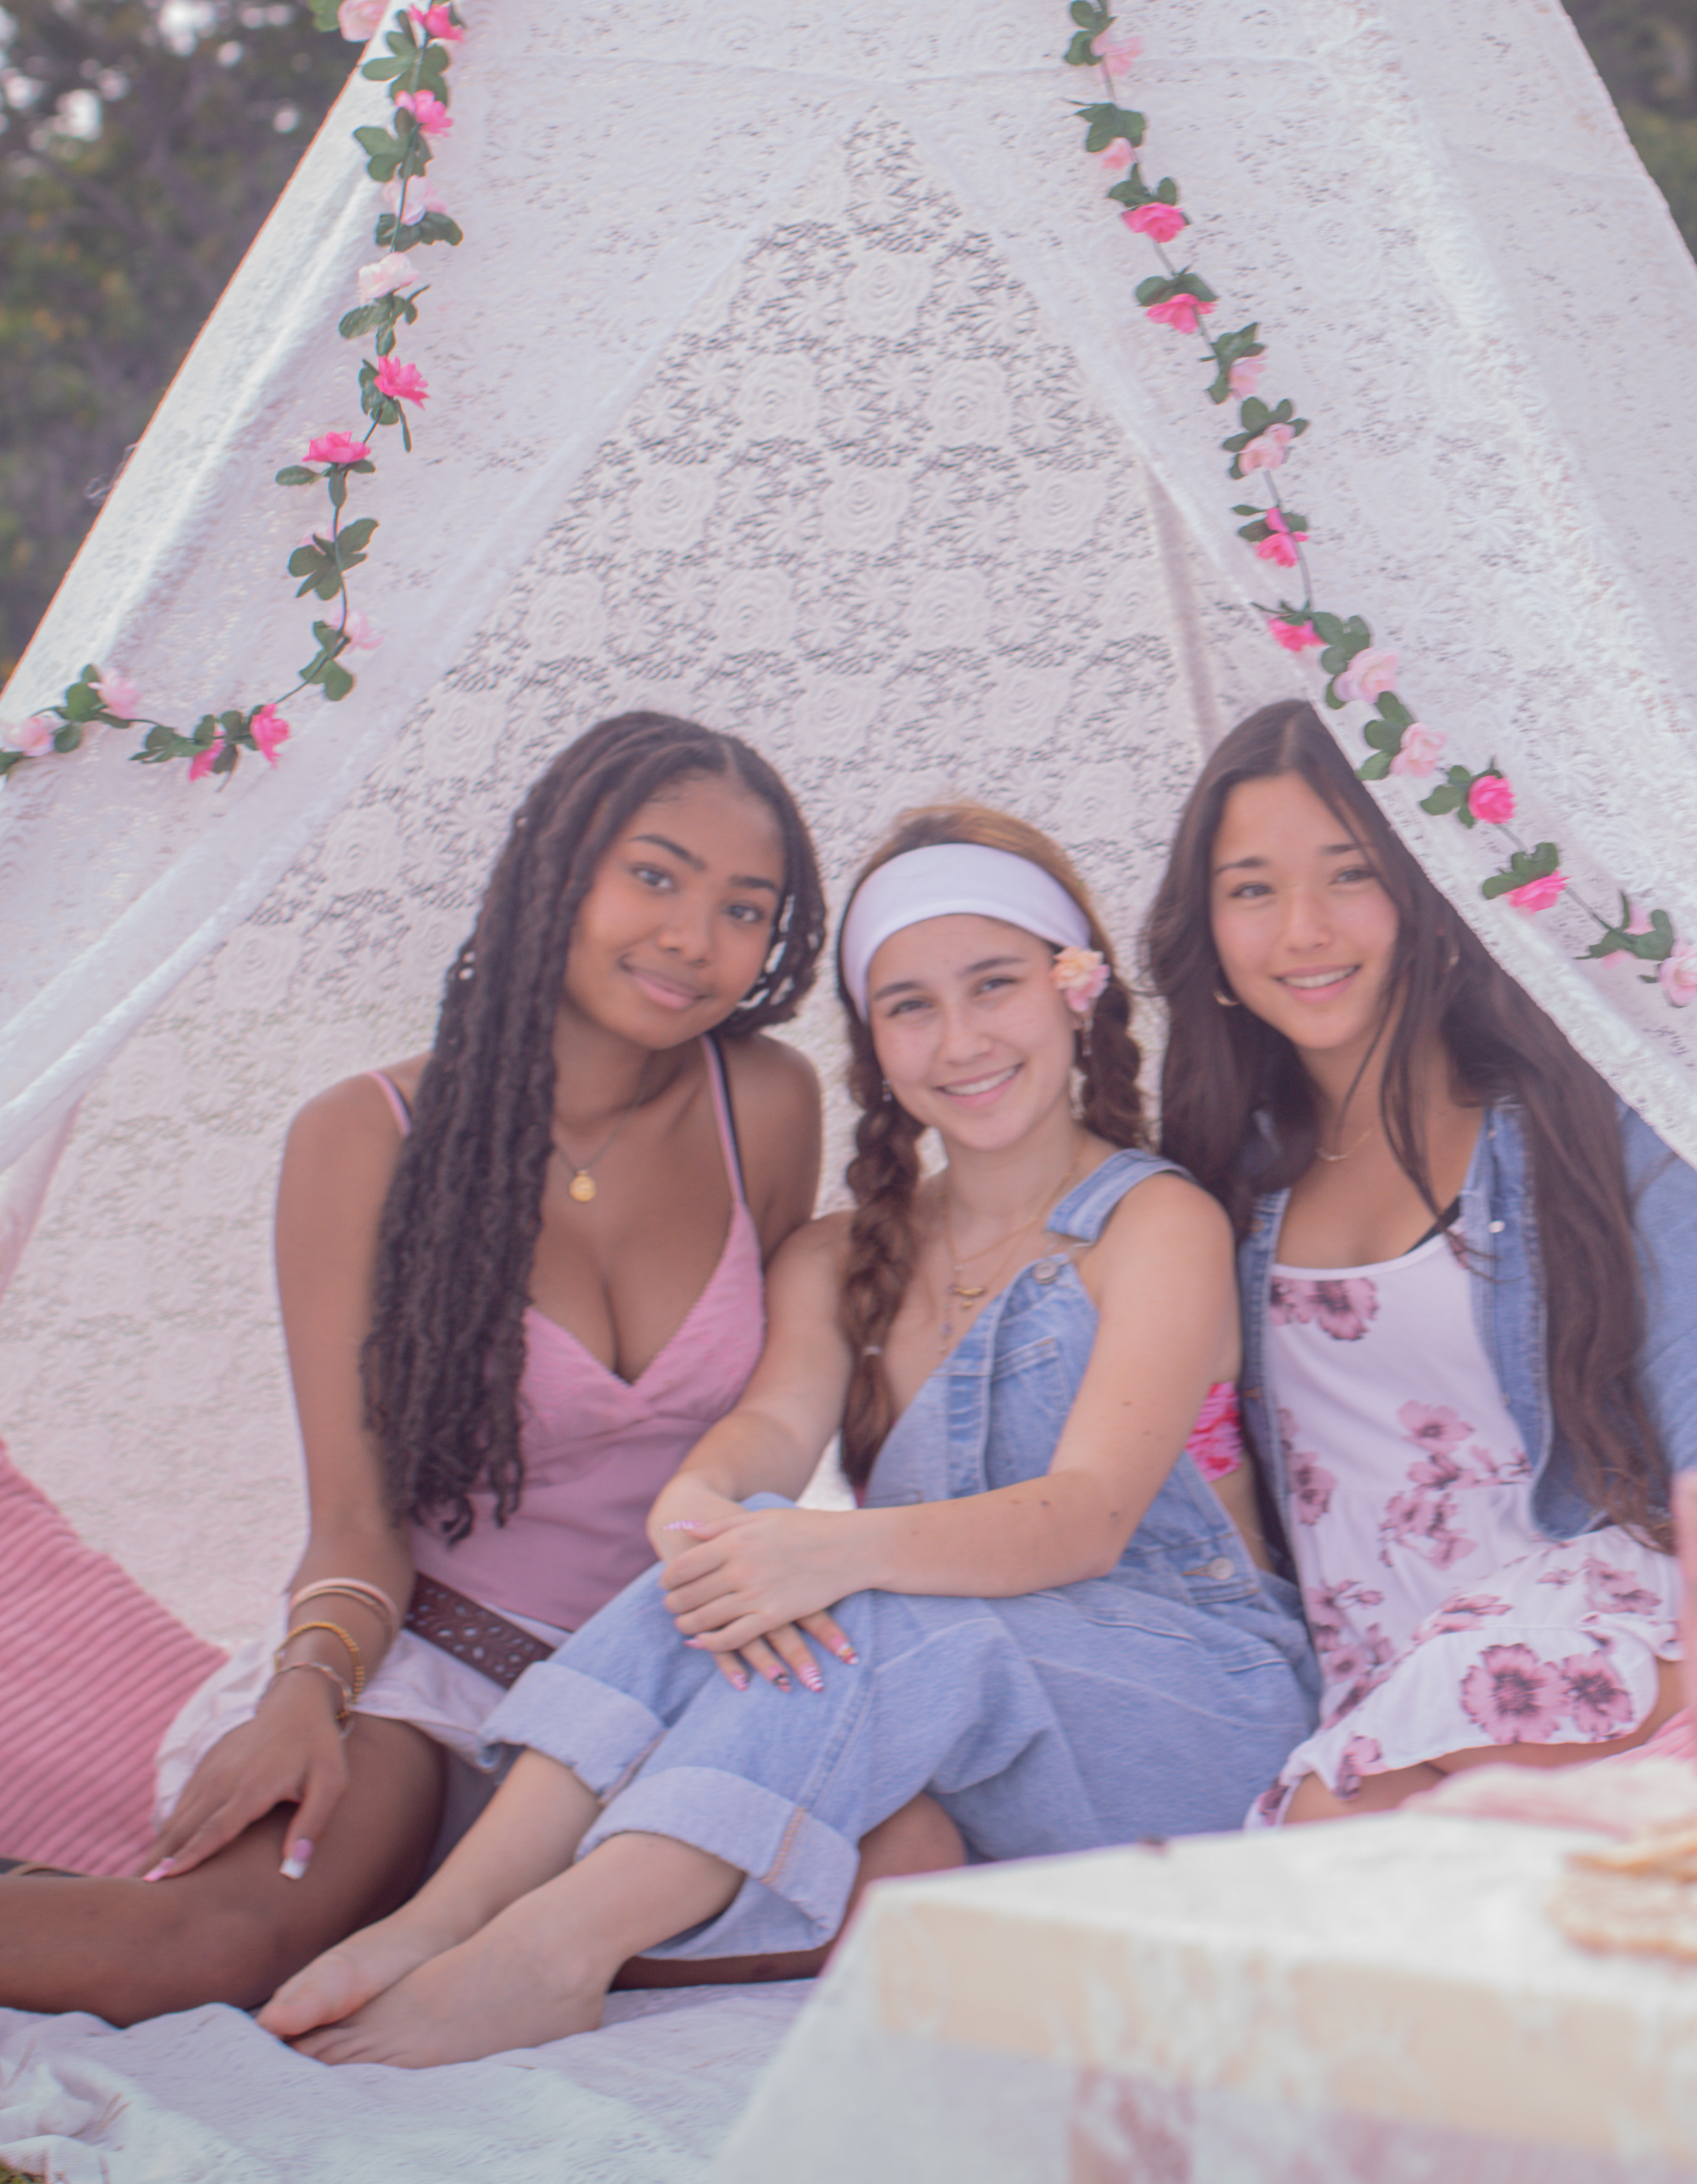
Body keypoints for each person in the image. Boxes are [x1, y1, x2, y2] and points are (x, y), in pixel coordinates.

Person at [0, 711, 876, 2041]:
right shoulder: (362, 1139)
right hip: (427, 1679)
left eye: (744, 907)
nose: (693, 937)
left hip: (655, 1687)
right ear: (559, 866)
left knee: (853, 1916)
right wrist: (306, 1695)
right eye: (655, 876)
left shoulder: (761, 1101)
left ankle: (442, 1918)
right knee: (215, 1947)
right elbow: (357, 1522)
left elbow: (768, 1421)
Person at [260, 805, 1314, 2067]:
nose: (962, 1038)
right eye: (911, 1005)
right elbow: (766, 1427)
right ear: (874, 1041)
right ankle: (438, 1920)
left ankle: (551, 1953)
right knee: (745, 1545)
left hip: (1188, 1704)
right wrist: (703, 1503)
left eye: (996, 986)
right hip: (983, 1726)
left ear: (1074, 988)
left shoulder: (1153, 1223)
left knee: (869, 1593)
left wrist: (836, 1554)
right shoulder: (840, 1253)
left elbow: (1086, 1514)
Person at [1142, 702, 1697, 1821]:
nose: (1302, 927)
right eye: (1252, 888)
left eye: (1349, 874)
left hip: (1593, 1652)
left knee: (1333, 1824)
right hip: (1378, 1699)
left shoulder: (1588, 1127)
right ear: (1207, 928)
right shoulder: (1212, 1190)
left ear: (1429, 896)